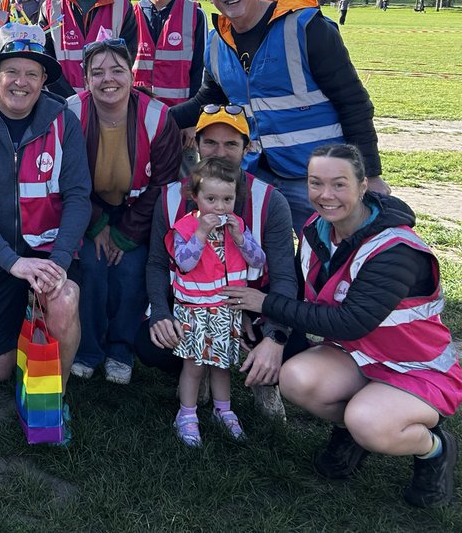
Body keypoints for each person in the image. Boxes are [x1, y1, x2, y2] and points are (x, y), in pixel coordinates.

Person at [225, 144, 461, 509]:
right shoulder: (316, 228)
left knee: (368, 421)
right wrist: (276, 335)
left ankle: (434, 449)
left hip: (415, 365)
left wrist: (265, 304)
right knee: (296, 378)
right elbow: (299, 289)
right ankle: (352, 430)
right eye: (315, 183)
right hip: (358, 354)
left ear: (363, 185)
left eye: (339, 184)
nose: (325, 195)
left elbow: (350, 322)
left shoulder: (395, 249)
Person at [171, 0, 387, 229]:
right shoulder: (216, 42)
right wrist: (151, 117)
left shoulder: (306, 27)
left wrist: (371, 173)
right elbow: (209, 99)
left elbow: (353, 102)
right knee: (261, 250)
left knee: (329, 248)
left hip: (318, 175)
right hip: (258, 173)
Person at [0, 23, 88, 398]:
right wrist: (12, 262)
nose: (20, 82)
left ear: (44, 80)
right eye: (12, 71)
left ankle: (54, 396)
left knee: (64, 300)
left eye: (31, 73)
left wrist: (59, 261)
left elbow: (78, 196)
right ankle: (21, 319)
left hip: (48, 252)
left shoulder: (64, 122)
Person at [142, 104, 298, 420]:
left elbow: (284, 276)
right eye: (211, 142)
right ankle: (196, 372)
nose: (220, 152)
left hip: (250, 306)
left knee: (292, 348)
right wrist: (159, 311)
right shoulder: (172, 197)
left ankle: (264, 381)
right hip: (194, 304)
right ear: (196, 144)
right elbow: (157, 263)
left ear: (247, 147)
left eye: (231, 144)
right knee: (151, 345)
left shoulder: (269, 200)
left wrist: (274, 332)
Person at [66, 38, 180, 383]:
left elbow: (163, 186)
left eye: (117, 70)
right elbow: (64, 180)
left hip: (139, 211)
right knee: (90, 264)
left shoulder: (158, 117)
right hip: (88, 209)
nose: (108, 79)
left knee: (132, 268)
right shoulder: (70, 113)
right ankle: (87, 348)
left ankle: (120, 348)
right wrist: (97, 224)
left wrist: (125, 233)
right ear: (86, 79)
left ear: (131, 75)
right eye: (97, 72)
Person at [165, 156, 266, 446]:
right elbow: (184, 263)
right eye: (211, 199)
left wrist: (240, 238)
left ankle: (224, 410)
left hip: (225, 309)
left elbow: (258, 260)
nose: (219, 207)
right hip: (194, 310)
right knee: (194, 365)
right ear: (195, 197)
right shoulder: (186, 227)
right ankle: (186, 414)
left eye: (227, 199)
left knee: (222, 364)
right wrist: (200, 233)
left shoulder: (238, 226)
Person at [50, 0, 138, 93]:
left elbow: (127, 58)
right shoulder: (50, 7)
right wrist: (70, 99)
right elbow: (47, 62)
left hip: (107, 97)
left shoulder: (123, 6)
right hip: (62, 101)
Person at [131, 0, 205, 105]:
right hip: (138, 110)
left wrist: (191, 114)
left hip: (178, 112)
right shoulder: (129, 15)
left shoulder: (195, 14)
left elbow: (200, 71)